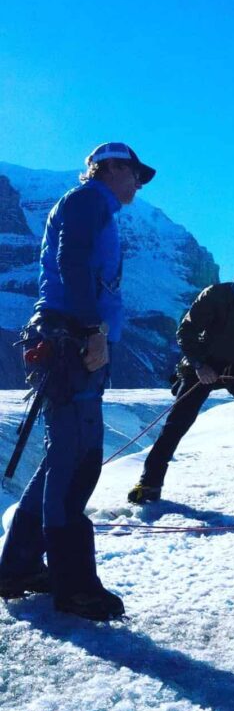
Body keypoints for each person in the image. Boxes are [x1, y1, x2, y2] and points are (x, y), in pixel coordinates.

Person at [0, 142, 155, 619]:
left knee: (61, 459)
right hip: (72, 339)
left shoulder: (93, 205)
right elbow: (73, 262)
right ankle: (75, 586)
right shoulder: (88, 200)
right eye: (135, 174)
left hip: (67, 337)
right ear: (112, 168)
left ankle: (18, 568)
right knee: (78, 460)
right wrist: (91, 329)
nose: (138, 184)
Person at [127, 257, 234, 504]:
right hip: (203, 364)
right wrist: (199, 365)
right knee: (177, 423)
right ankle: (149, 483)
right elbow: (185, 332)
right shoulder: (215, 295)